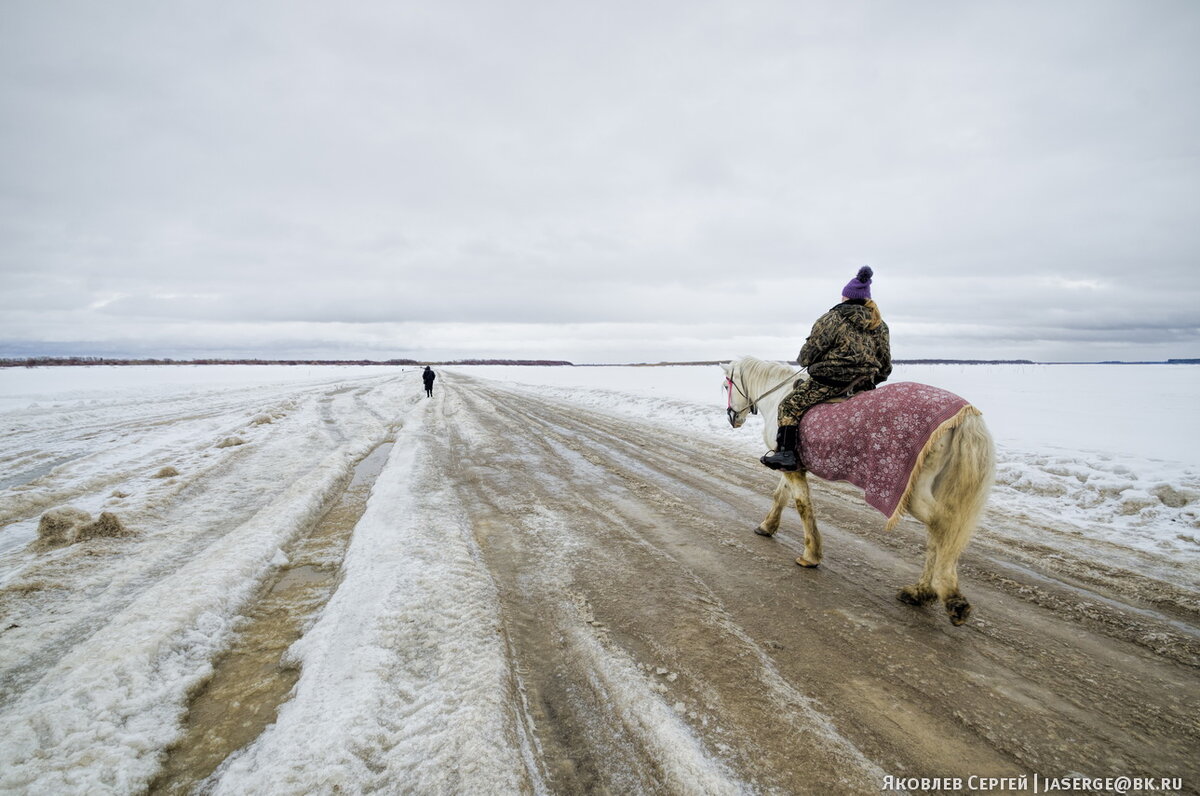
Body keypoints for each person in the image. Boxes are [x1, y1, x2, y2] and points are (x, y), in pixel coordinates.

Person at [760, 266, 892, 471]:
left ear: (845, 297)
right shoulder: (879, 324)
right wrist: (872, 379)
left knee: (789, 405)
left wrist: (808, 360)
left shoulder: (832, 319)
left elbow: (807, 356)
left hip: (831, 382)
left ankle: (786, 454)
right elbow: (885, 363)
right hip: (864, 383)